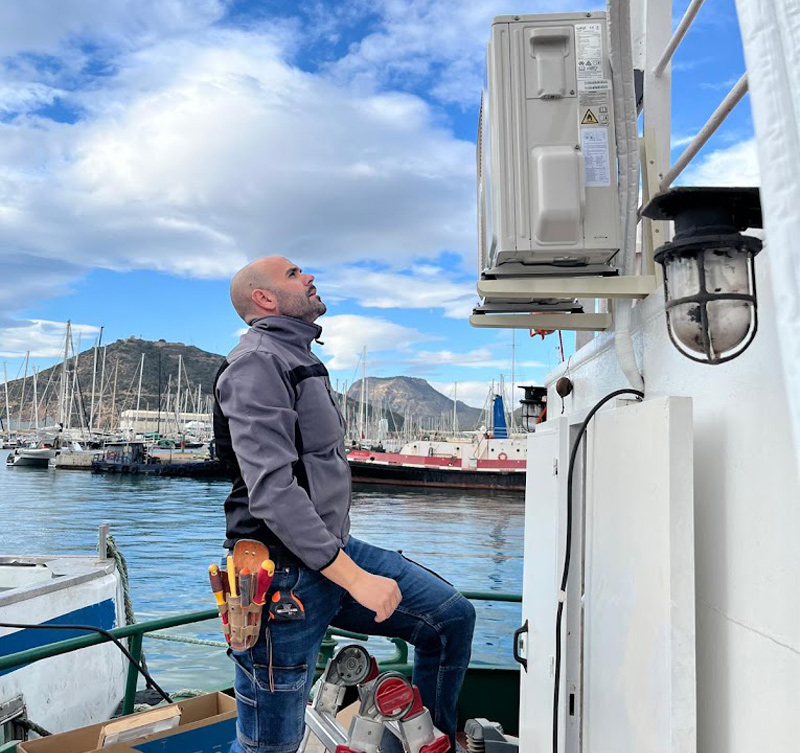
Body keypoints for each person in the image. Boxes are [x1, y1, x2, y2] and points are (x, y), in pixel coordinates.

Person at [214, 255, 476, 753]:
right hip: (282, 580)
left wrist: (348, 566)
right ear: (264, 299)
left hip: (334, 553)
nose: (309, 276)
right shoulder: (256, 365)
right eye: (293, 274)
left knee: (450, 619)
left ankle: (437, 743)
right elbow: (271, 491)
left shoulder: (298, 357)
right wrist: (356, 579)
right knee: (270, 747)